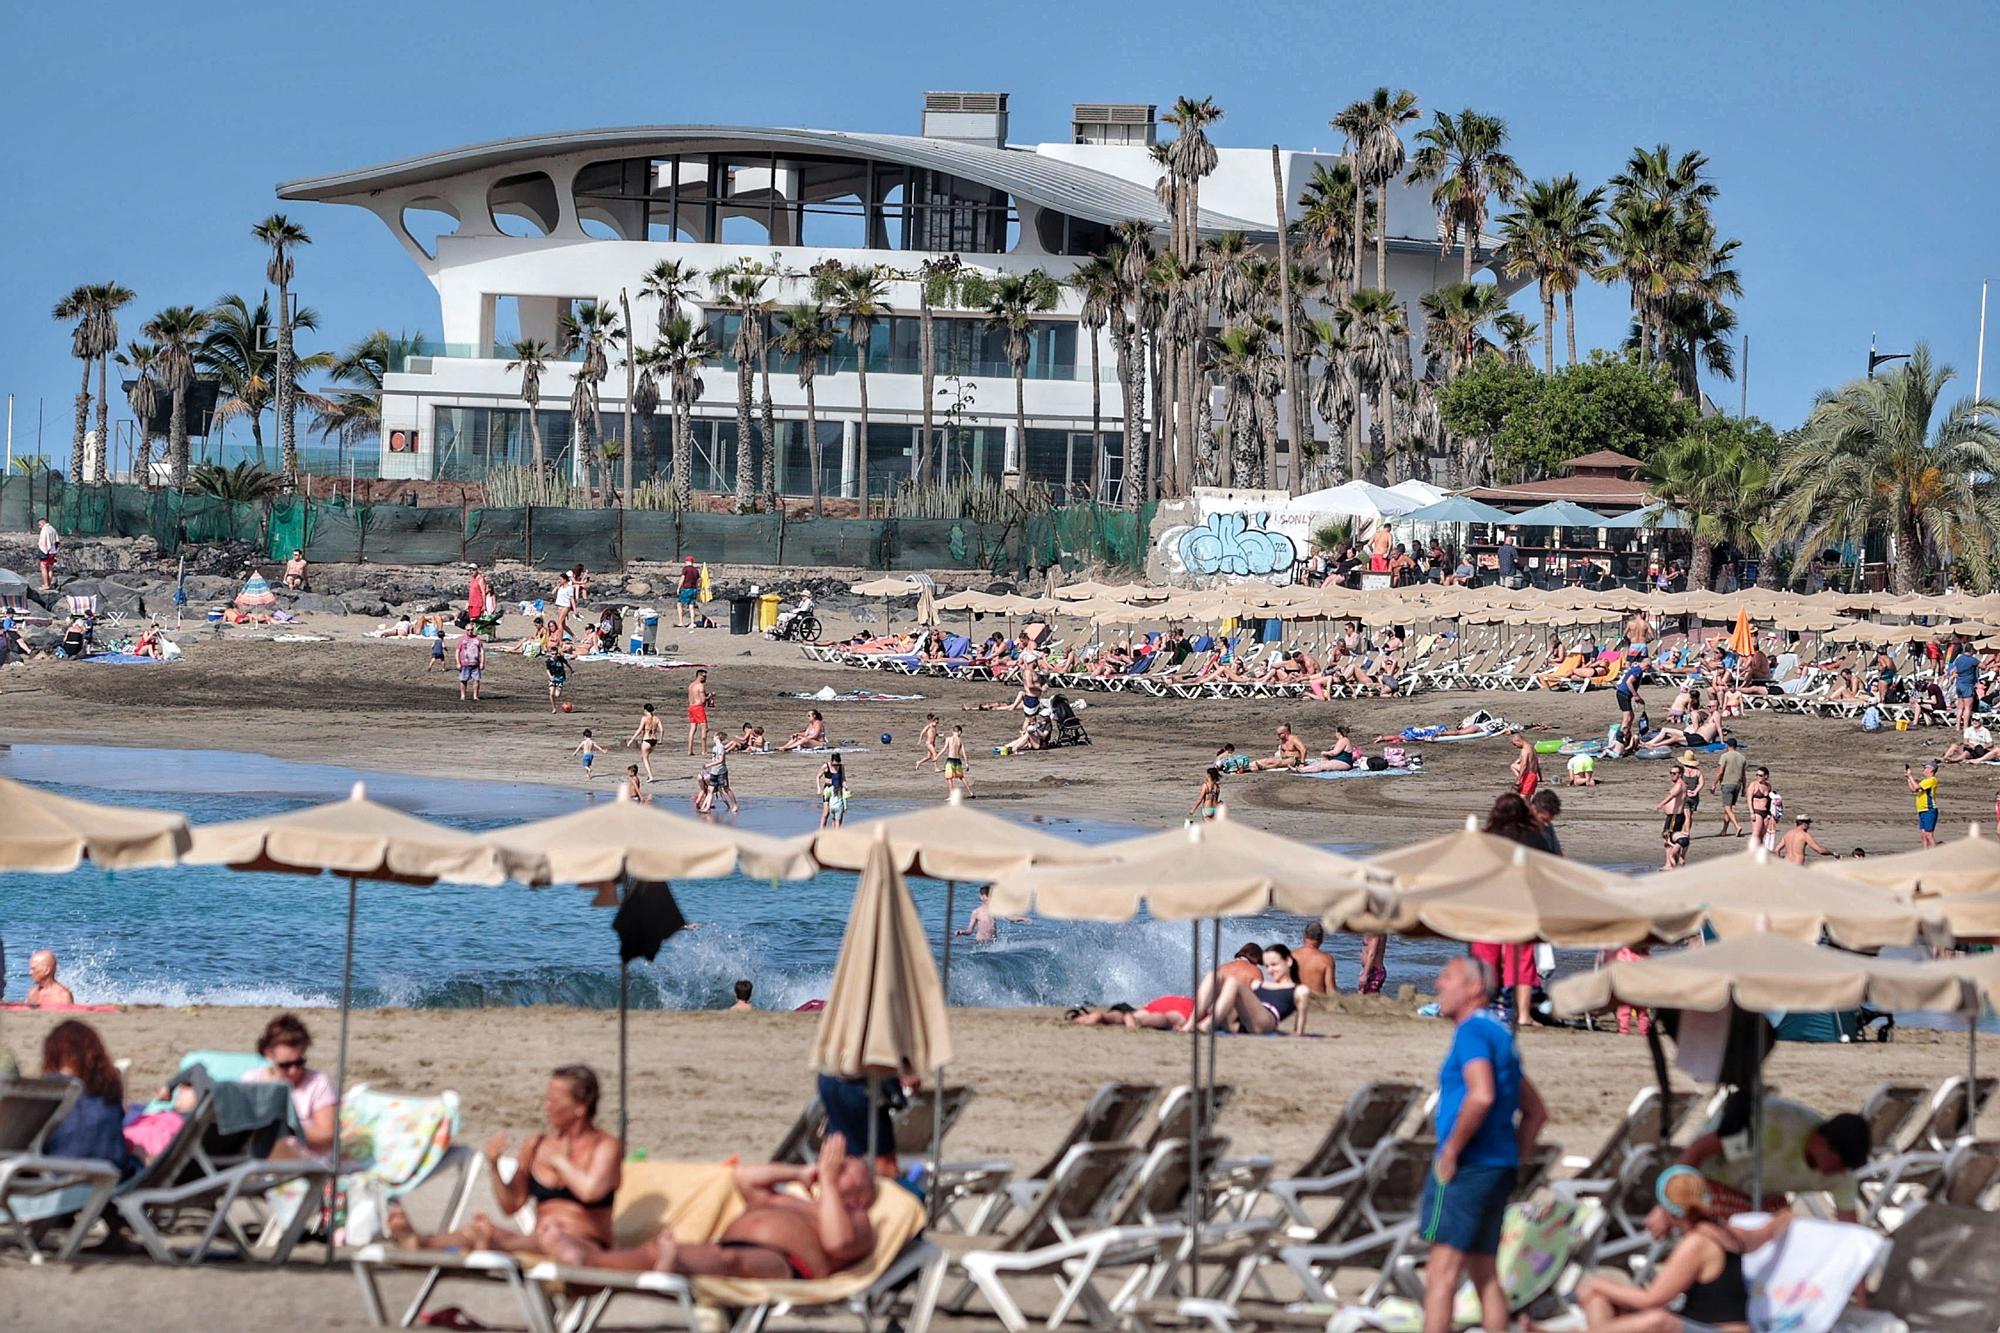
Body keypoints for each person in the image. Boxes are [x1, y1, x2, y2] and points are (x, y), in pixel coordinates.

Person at [1419, 957, 1547, 1333]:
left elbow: (1482, 1095)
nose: (1439, 982)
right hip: (1497, 1166)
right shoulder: (1499, 1032)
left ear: (1474, 988)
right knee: (1484, 1273)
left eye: (1448, 977)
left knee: (1441, 1274)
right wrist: (1512, 1157)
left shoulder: (1472, 1031)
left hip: (1469, 1165)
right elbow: (1536, 1112)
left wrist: (1452, 1150)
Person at [388, 1066, 622, 1258]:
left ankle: (494, 1244)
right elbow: (511, 1205)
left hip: (585, 1246)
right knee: (476, 1230)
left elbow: (590, 1191)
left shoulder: (605, 1146)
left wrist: (560, 1161)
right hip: (537, 1241)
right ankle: (419, 1242)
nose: (547, 1107)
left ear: (580, 1108)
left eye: (554, 1101)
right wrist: (494, 1166)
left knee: (541, 1239)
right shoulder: (536, 1145)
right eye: (547, 1099)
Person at [1576, 1166, 1782, 1333]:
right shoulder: (1726, 1230)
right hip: (1697, 1323)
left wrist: (1597, 1283)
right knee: (1600, 1300)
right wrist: (1785, 1218)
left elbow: (1651, 1299)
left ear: (1667, 1209)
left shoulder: (1697, 1243)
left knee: (1656, 1320)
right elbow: (1765, 1232)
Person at [1653, 1097, 1869, 1233]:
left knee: (1788, 1231)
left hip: (1761, 1196)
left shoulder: (1842, 1173)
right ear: (1823, 1144)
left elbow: (1849, 1232)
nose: (1840, 1172)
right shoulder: (1770, 1129)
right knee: (1732, 1233)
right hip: (1709, 1182)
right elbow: (1698, 1149)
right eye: (1839, 1165)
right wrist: (1667, 1205)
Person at [40, 1020, 136, 1178]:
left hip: (59, 1180)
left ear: (53, 1053)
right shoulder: (109, 1088)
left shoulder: (49, 1089)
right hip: (110, 1179)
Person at [243, 1013, 337, 1157]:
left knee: (276, 1145)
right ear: (269, 1053)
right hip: (259, 1158)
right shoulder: (252, 1080)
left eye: (299, 1063)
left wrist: (286, 1128)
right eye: (285, 1065)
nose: (293, 1071)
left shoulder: (318, 1083)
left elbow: (327, 1137)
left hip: (304, 1158)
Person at [1179, 945, 1313, 1036]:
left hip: (1265, 1022)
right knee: (1215, 975)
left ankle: (1206, 1025)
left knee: (1233, 982)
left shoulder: (1299, 990)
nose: (1270, 970)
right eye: (1267, 966)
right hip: (1239, 1023)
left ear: (1288, 961)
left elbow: (1298, 1032)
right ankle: (1190, 1024)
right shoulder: (1259, 984)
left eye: (1274, 965)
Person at [1655, 764, 1693, 870]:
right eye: (1671, 773)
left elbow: (1673, 795)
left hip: (1674, 816)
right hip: (1675, 816)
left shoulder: (1679, 784)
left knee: (1668, 838)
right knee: (1669, 838)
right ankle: (1673, 861)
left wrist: (1661, 804)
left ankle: (1671, 862)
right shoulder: (1682, 784)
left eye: (1674, 773)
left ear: (1680, 774)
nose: (1672, 775)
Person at [1712, 739, 1747, 838]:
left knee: (1727, 807)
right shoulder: (1742, 757)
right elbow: (1744, 775)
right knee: (1729, 808)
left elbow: (1720, 772)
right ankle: (1724, 830)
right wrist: (1744, 787)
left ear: (1728, 746)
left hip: (1727, 784)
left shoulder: (1724, 756)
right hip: (1737, 784)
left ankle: (1736, 825)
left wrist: (1714, 784)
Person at [696, 734, 739, 815]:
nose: (713, 738)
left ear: (717, 737)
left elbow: (721, 760)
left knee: (726, 789)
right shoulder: (715, 748)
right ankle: (707, 808)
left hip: (721, 772)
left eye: (714, 736)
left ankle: (735, 804)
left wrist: (708, 765)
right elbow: (715, 759)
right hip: (714, 772)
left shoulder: (720, 747)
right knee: (710, 790)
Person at [1293, 922, 1337, 995]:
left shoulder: (1291, 955)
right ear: (1322, 939)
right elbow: (1331, 990)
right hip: (1316, 1003)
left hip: (1294, 1002)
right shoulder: (1326, 959)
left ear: (1304, 936)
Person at [1906, 760, 1941, 848]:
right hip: (1922, 809)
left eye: (1926, 768)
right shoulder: (1925, 781)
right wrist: (1908, 778)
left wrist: (1910, 776)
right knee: (1923, 835)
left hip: (1929, 809)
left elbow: (1916, 787)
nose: (1924, 770)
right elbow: (1914, 789)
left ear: (1931, 770)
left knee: (1929, 834)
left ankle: (1934, 853)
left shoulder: (1932, 780)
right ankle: (1925, 854)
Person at [1952, 637, 1982, 731]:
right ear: (1971, 650)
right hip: (1967, 685)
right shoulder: (1972, 660)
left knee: (1960, 707)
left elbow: (1956, 669)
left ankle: (1957, 726)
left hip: (1959, 684)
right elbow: (1983, 666)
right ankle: (1965, 727)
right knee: (1968, 708)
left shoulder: (1959, 659)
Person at [628, 703, 664, 781]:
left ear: (645, 710)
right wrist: (661, 739)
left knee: (645, 758)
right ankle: (648, 775)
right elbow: (662, 730)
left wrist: (631, 739)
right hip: (654, 740)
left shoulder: (644, 718)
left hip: (646, 740)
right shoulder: (656, 719)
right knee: (643, 757)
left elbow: (639, 730)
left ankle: (650, 776)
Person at [1529, 790, 1564, 857]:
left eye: (1549, 820)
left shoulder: (1548, 827)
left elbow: (1558, 855)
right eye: (1544, 819)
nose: (1546, 824)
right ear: (1533, 809)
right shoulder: (1519, 829)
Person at [1747, 767, 1775, 848]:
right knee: (1756, 834)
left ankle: (1760, 851)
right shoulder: (1753, 785)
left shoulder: (1768, 786)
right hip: (1757, 811)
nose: (1758, 777)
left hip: (1766, 812)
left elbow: (1769, 800)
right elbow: (1749, 799)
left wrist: (1771, 813)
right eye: (1757, 775)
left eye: (1760, 775)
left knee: (1763, 834)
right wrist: (1752, 812)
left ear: (1766, 776)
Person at [818, 752, 848, 828]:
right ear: (831, 762)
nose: (836, 766)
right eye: (834, 765)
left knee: (838, 812)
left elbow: (843, 778)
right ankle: (822, 830)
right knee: (826, 812)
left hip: (837, 789)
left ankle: (835, 830)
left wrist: (845, 786)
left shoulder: (841, 767)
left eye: (837, 764)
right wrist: (819, 788)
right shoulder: (826, 766)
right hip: (828, 789)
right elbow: (818, 777)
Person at [687, 669, 713, 756]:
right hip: (698, 708)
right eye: (704, 676)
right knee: (704, 729)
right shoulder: (700, 686)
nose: (705, 678)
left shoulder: (691, 685)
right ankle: (704, 750)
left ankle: (690, 750)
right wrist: (710, 696)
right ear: (699, 676)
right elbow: (702, 700)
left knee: (692, 729)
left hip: (691, 707)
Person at [455, 626, 484, 702]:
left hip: (475, 663)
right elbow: (457, 652)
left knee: (476, 680)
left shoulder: (477, 639)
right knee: (463, 680)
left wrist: (482, 662)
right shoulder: (462, 639)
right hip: (465, 663)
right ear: (465, 630)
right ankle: (463, 695)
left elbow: (482, 651)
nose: (470, 631)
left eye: (471, 630)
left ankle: (475, 696)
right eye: (468, 630)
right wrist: (458, 663)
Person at [1509, 733, 1542, 799]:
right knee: (1527, 801)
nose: (1516, 746)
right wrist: (1540, 777)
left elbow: (1524, 765)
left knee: (1522, 799)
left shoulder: (1524, 750)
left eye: (1515, 744)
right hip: (1534, 776)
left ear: (1518, 740)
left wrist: (1519, 779)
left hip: (1528, 776)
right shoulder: (1531, 748)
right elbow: (1536, 763)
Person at [942, 724, 969, 797]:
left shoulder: (948, 739)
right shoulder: (960, 741)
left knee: (949, 778)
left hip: (950, 760)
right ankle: (971, 793)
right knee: (961, 777)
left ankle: (951, 795)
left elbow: (944, 749)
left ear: (953, 731)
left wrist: (936, 757)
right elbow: (964, 753)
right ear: (959, 732)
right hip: (957, 760)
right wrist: (967, 764)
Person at [676, 555, 701, 627]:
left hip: (687, 588)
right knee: (691, 606)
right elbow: (698, 581)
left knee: (679, 604)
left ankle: (681, 622)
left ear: (687, 561)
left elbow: (682, 578)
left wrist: (678, 587)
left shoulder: (686, 569)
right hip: (694, 589)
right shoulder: (696, 570)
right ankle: (692, 623)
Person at [36, 516, 60, 590]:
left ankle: (46, 584)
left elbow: (43, 542)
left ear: (43, 523)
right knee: (50, 567)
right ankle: (49, 584)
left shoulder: (45, 530)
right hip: (53, 551)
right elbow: (57, 541)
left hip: (47, 551)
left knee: (43, 566)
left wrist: (43, 550)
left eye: (39, 525)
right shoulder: (52, 529)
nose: (39, 527)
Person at [545, 648, 569, 714]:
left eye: (555, 654)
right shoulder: (548, 661)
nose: (554, 655)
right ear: (550, 654)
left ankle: (560, 689)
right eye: (552, 654)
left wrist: (571, 669)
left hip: (560, 678)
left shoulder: (560, 659)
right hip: (552, 678)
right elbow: (547, 670)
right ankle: (554, 708)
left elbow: (566, 663)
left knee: (557, 695)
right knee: (551, 694)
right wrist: (550, 677)